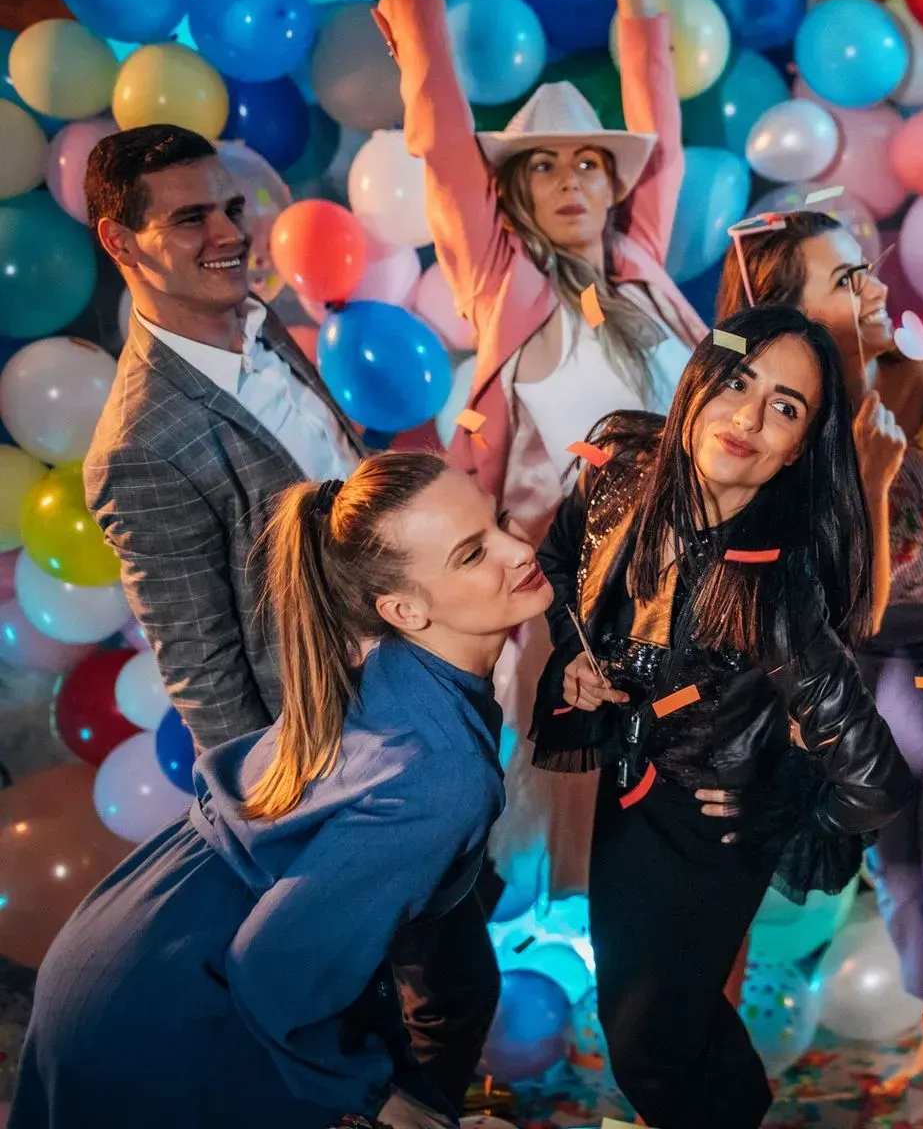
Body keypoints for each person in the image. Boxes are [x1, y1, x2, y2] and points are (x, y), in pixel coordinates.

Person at [81, 124, 502, 1108]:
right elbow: (205, 674)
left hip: (420, 698)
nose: (229, 232)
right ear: (119, 241)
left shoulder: (259, 320)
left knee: (451, 970)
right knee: (397, 1005)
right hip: (348, 769)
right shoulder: (140, 443)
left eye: (229, 207)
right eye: (191, 218)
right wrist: (298, 832)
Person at [15, 451, 553, 1129]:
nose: (516, 547)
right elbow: (274, 971)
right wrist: (384, 1103)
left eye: (500, 522)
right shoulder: (440, 775)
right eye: (473, 554)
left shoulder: (390, 658)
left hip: (130, 933)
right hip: (171, 1004)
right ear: (403, 610)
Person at [348, 0, 704, 901]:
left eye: (590, 162)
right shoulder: (503, 283)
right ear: (515, 193)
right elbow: (444, 143)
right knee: (566, 821)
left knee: (685, 815)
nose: (571, 180)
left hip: (692, 590)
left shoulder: (646, 269)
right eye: (543, 166)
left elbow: (662, 126)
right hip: (573, 610)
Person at [527, 304, 914, 1129]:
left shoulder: (777, 587)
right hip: (627, 796)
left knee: (648, 1046)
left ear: (801, 447)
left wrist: (781, 800)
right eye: (736, 381)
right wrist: (579, 658)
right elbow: (561, 561)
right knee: (668, 1030)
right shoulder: (620, 469)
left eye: (784, 407)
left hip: (711, 826)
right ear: (699, 381)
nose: (747, 417)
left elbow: (876, 780)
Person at [716, 216, 923, 1127]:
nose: (871, 289)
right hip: (886, 636)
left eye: (867, 270)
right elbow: (831, 599)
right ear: (781, 316)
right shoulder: (781, 434)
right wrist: (863, 472)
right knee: (899, 833)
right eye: (842, 278)